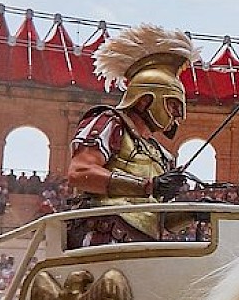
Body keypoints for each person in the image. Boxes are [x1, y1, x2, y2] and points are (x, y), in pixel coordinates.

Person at [63, 24, 199, 248]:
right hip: (101, 238)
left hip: (144, 246)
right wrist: (148, 186)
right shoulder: (108, 121)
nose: (177, 116)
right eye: (173, 105)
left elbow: (162, 219)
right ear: (145, 99)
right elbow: (80, 172)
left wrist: (196, 211)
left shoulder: (160, 154)